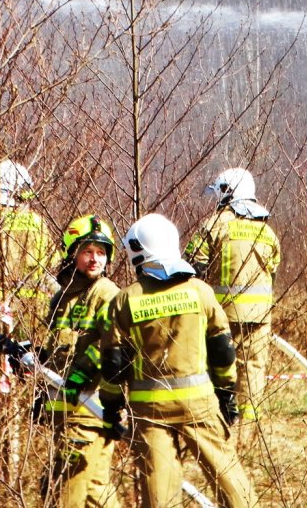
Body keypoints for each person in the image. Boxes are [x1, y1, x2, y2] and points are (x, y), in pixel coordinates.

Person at [97, 213, 257, 508]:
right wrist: (226, 393)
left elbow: (113, 363)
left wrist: (111, 406)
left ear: (137, 252)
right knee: (229, 479)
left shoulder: (125, 300)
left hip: (150, 410)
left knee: (159, 493)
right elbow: (223, 350)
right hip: (200, 404)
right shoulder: (200, 292)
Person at [0, 159, 60, 502]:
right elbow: (52, 265)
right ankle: (25, 447)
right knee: (31, 378)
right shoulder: (37, 223)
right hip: (34, 317)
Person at [37, 215, 122, 507]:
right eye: (87, 251)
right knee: (96, 493)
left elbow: (112, 343)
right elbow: (57, 351)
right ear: (72, 253)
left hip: (89, 410)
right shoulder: (63, 297)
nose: (95, 259)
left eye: (101, 252)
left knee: (65, 495)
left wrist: (81, 374)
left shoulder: (106, 293)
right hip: (68, 411)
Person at [185, 168, 281, 422]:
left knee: (215, 366)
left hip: (220, 315)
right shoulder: (267, 231)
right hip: (259, 317)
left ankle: (216, 420)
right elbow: (272, 274)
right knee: (253, 368)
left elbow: (192, 269)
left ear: (226, 192)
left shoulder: (214, 225)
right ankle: (247, 426)